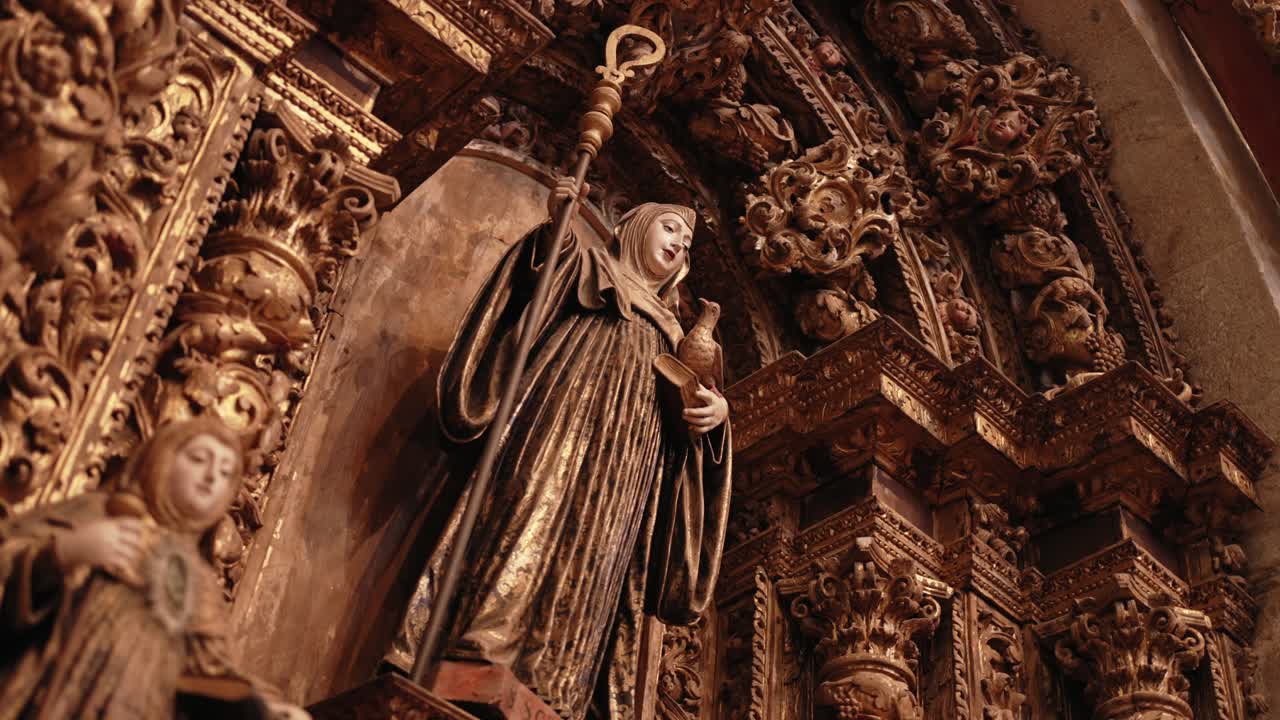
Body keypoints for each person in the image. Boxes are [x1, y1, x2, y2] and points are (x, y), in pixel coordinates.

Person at [390, 178, 732, 719]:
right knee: (531, 508)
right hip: (562, 412)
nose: (678, 244)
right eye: (670, 228)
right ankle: (482, 643)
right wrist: (557, 226)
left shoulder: (674, 332)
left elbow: (688, 430)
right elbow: (534, 285)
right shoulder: (589, 267)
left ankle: (558, 683)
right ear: (637, 228)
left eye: (686, 243)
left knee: (597, 552)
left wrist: (715, 418)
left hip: (629, 460)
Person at [0, 417, 308, 720]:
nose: (212, 476)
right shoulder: (100, 515)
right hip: (56, 693)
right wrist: (66, 551)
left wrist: (265, 709)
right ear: (162, 460)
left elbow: (210, 673)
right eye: (199, 459)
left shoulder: (199, 582)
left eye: (226, 473)